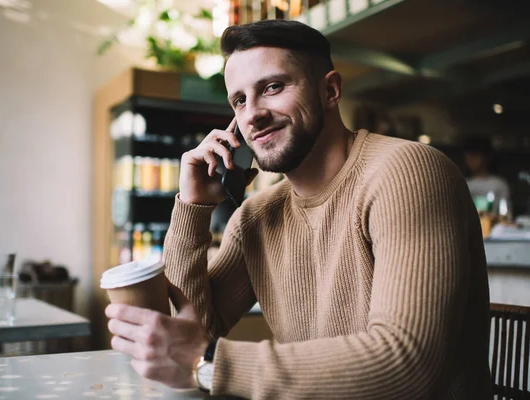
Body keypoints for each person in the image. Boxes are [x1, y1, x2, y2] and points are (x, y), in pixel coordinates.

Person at [105, 20, 492, 399]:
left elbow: (408, 365)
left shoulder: (406, 172)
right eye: (239, 100)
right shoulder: (257, 216)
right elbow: (189, 334)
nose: (253, 114)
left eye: (272, 87)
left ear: (330, 90)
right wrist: (193, 208)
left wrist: (210, 363)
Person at [463, 136, 510, 209]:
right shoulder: (462, 183)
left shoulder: (499, 184)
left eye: (474, 155)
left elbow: (505, 212)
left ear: (487, 157)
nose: (470, 159)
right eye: (467, 155)